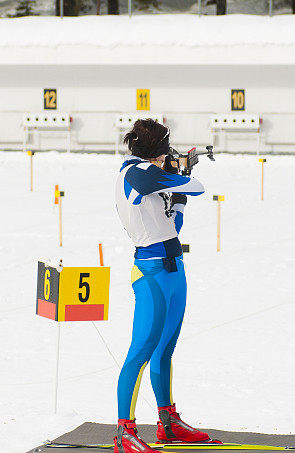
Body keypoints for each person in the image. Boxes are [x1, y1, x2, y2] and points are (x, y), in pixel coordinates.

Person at [113, 119, 212, 453]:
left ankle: (166, 423)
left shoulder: (150, 176)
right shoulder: (137, 172)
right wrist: (181, 175)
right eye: (166, 149)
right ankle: (124, 432)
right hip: (152, 273)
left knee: (164, 349)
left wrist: (176, 186)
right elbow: (197, 186)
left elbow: (172, 225)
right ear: (155, 150)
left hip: (172, 268)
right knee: (140, 351)